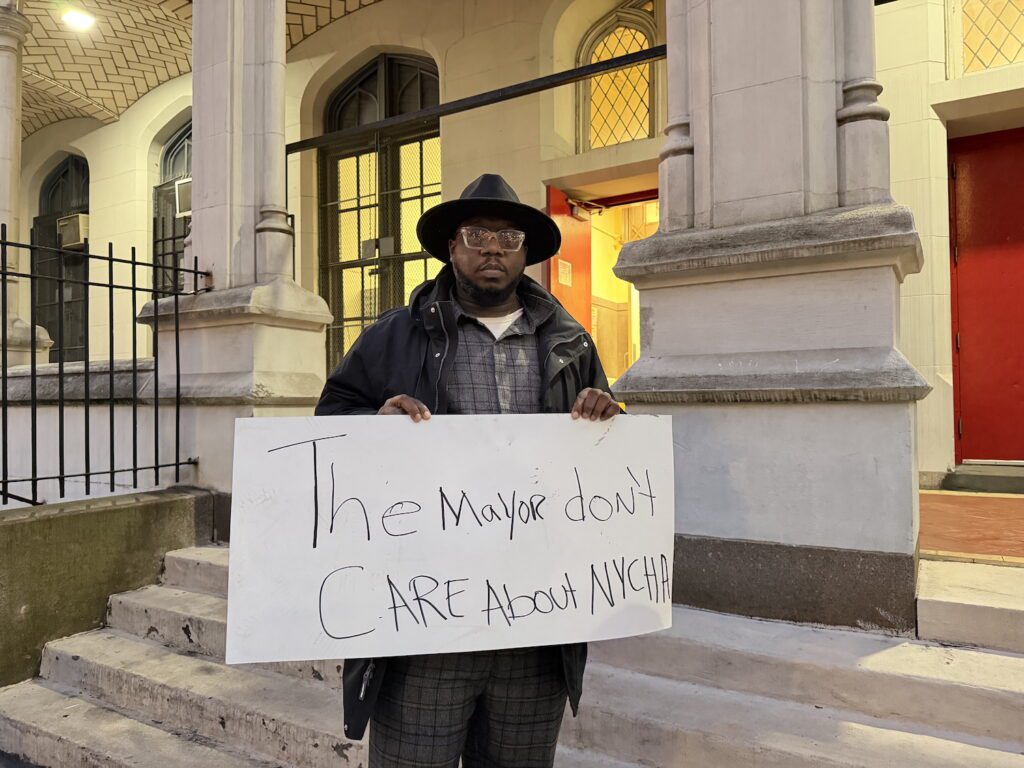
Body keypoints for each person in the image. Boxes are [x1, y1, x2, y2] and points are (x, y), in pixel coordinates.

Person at [315, 173, 619, 767]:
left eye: (508, 235)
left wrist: (606, 413)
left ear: (525, 251)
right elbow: (331, 425)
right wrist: (375, 420)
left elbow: (599, 464)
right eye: (476, 234)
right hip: (426, 626)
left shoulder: (571, 344)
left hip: (535, 630)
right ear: (452, 248)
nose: (492, 247)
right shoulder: (393, 336)